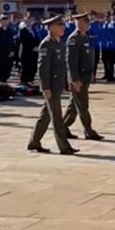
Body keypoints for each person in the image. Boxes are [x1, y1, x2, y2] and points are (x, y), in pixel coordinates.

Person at [28, 16, 77, 155]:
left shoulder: (60, 43)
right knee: (56, 116)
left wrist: (67, 82)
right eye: (59, 25)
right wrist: (45, 88)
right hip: (51, 86)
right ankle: (64, 146)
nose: (63, 28)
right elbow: (43, 68)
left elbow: (63, 66)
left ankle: (34, 141)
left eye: (62, 25)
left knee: (46, 116)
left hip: (58, 85)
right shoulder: (46, 44)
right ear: (51, 28)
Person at [62, 13, 103, 141]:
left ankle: (62, 127)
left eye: (87, 23)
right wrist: (74, 79)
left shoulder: (85, 37)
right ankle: (88, 130)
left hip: (85, 76)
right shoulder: (74, 39)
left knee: (74, 105)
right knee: (82, 104)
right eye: (84, 23)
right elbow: (71, 61)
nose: (87, 25)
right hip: (78, 77)